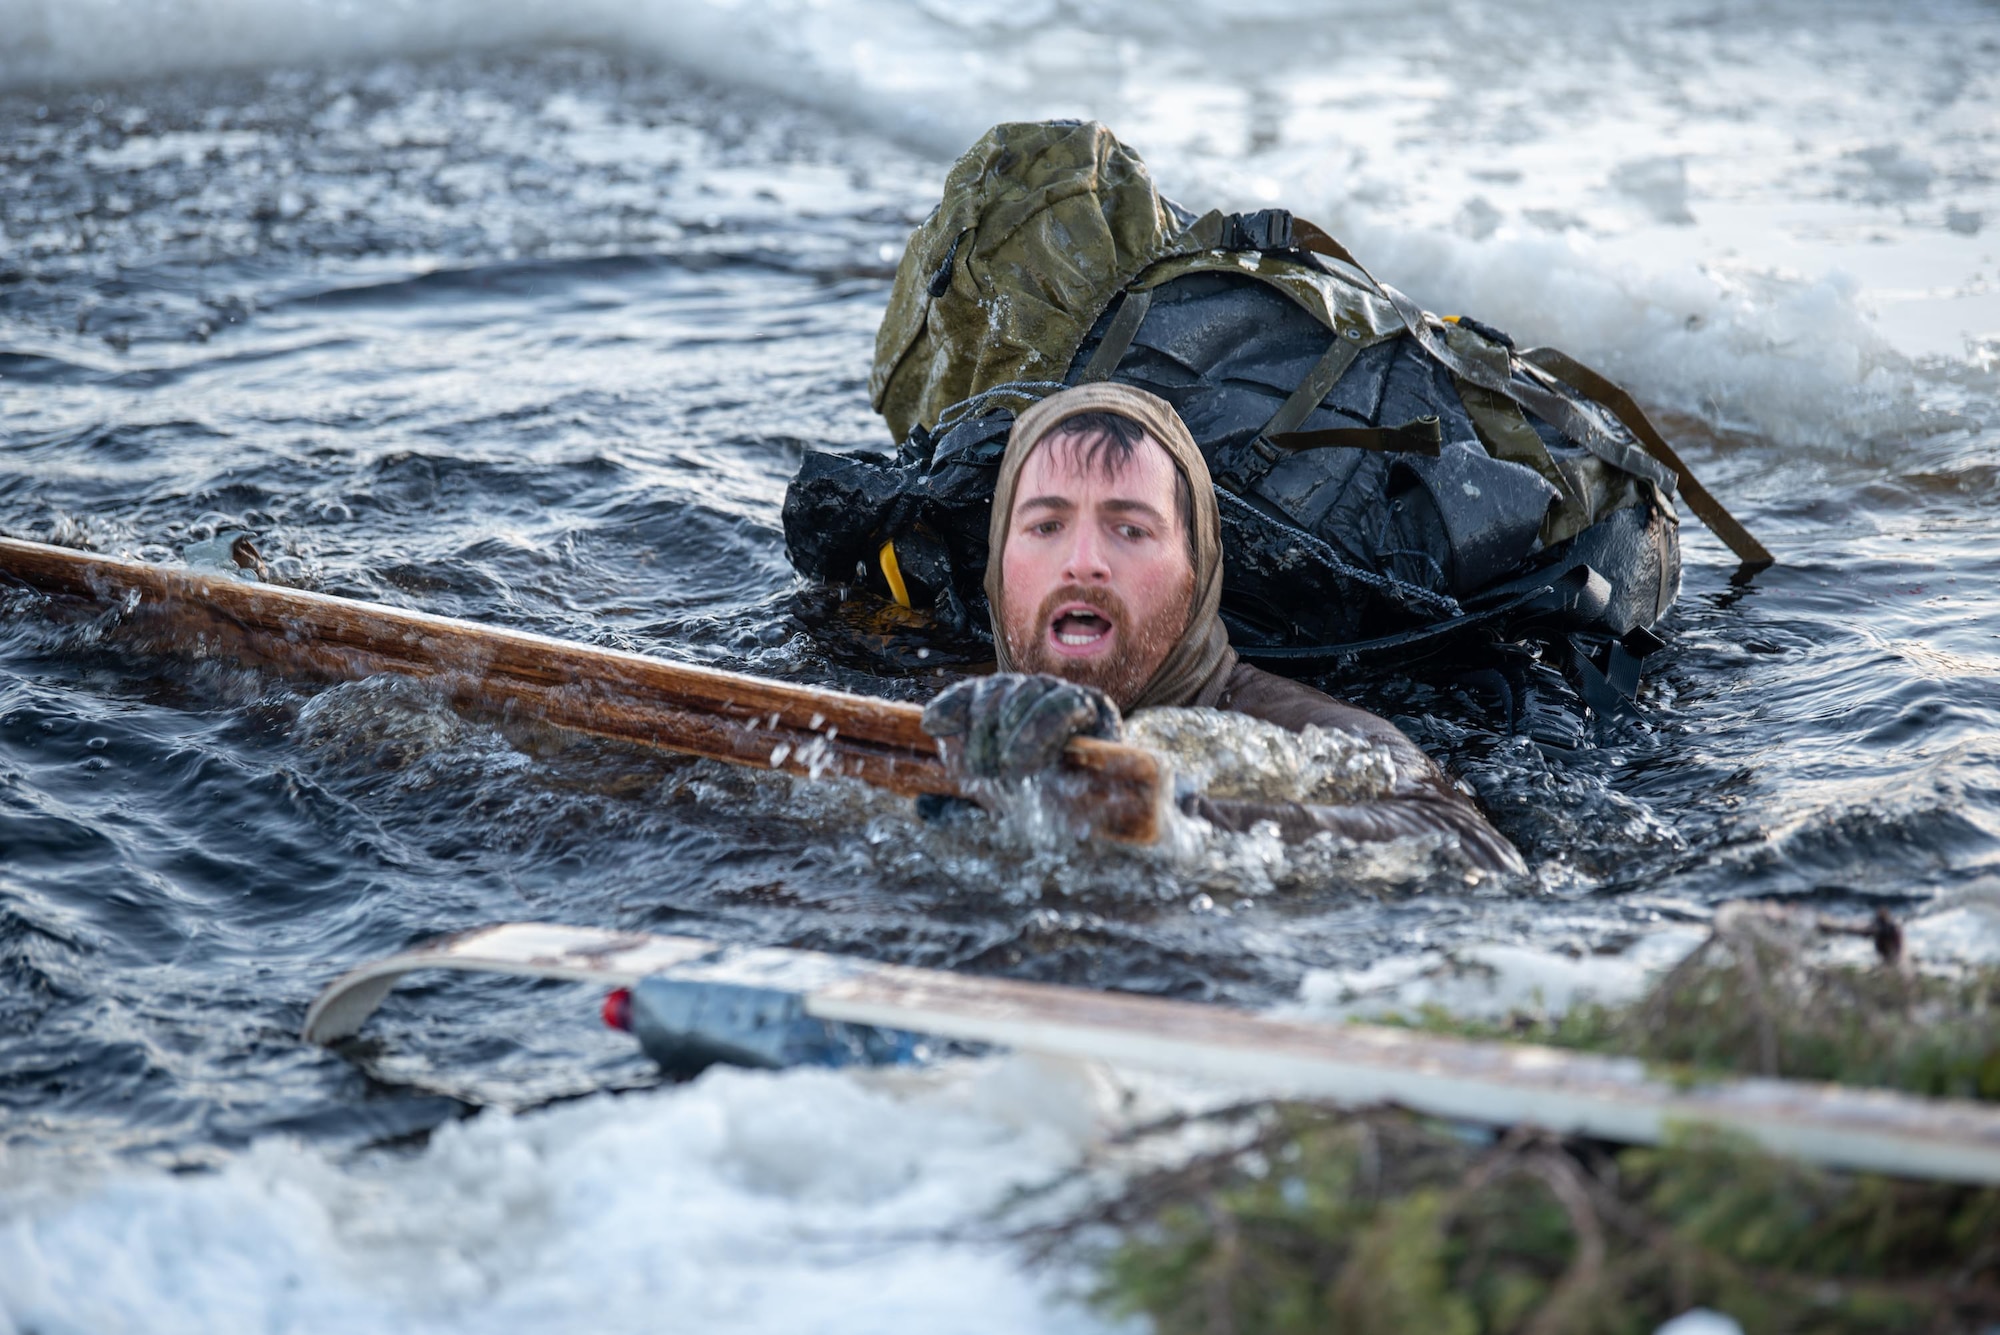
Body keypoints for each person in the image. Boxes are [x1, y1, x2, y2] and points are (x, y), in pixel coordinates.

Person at [919, 382, 1525, 875]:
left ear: (1199, 572)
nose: (1083, 560)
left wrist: (1151, 813)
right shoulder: (933, 707)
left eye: (1130, 530)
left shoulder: (1303, 733)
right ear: (998, 565)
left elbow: (1469, 849)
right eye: (1046, 526)